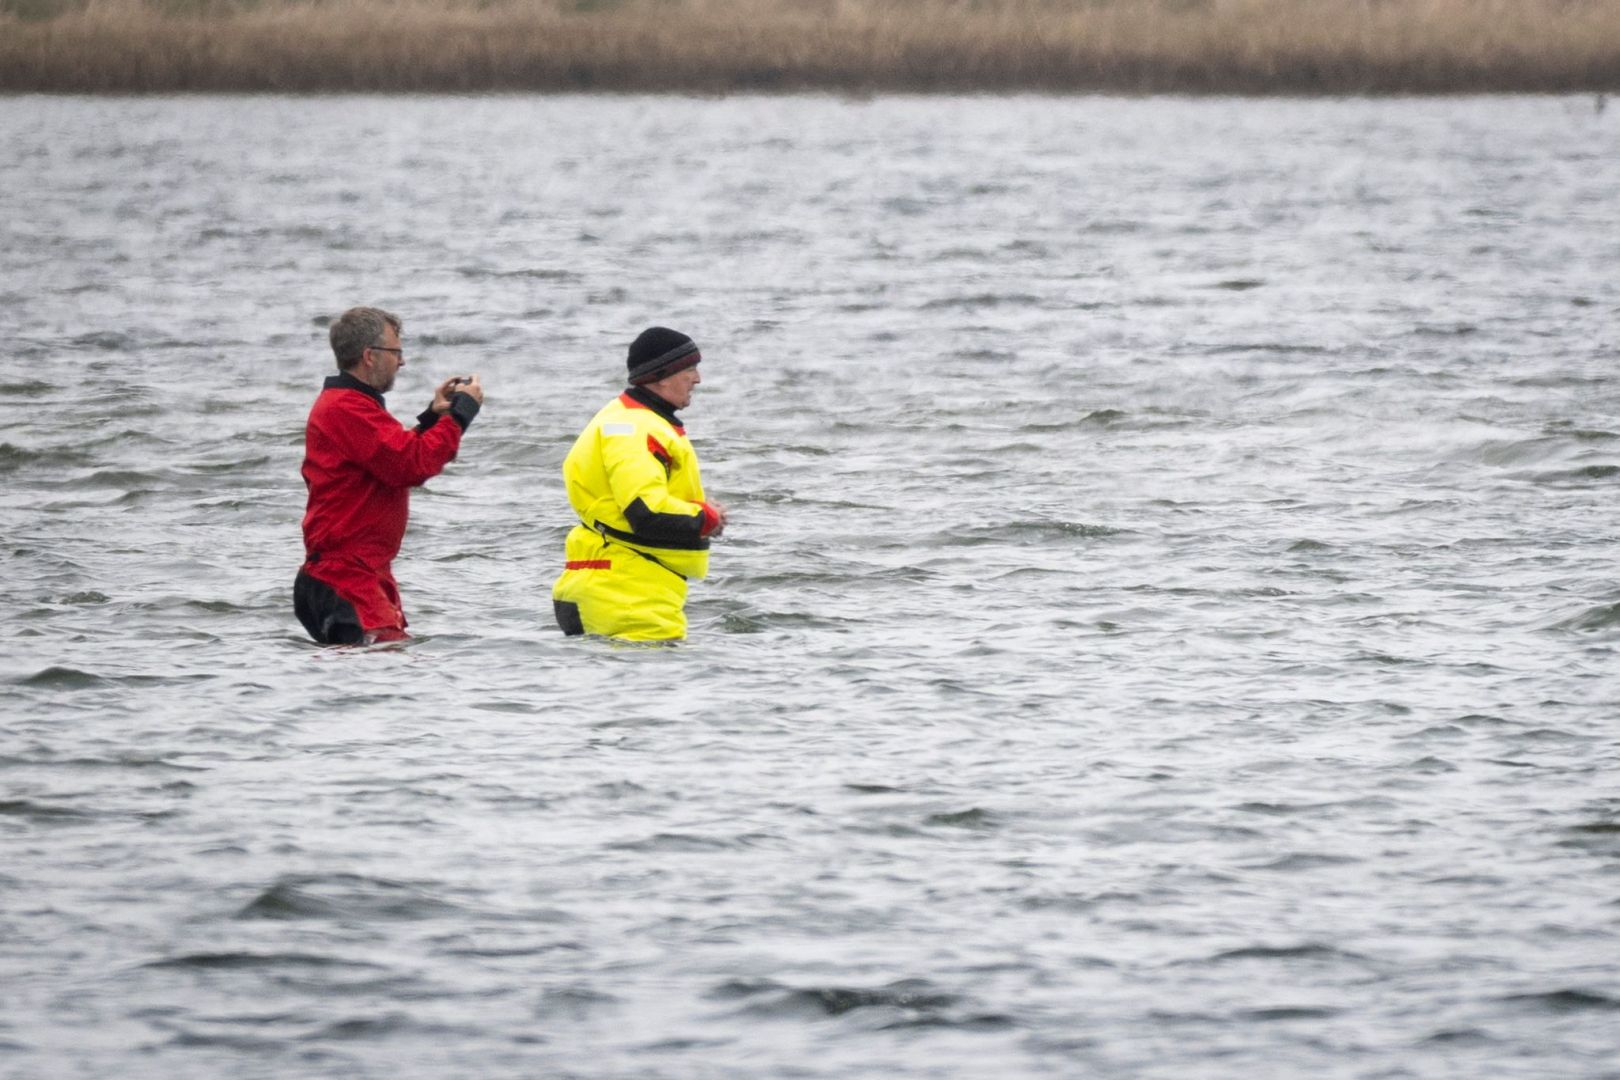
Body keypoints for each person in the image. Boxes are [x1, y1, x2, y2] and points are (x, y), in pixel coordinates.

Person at [294, 306, 484, 645]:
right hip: (345, 577)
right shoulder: (346, 407)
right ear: (370, 356)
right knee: (384, 666)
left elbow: (390, 456)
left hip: (359, 574)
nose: (402, 361)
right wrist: (460, 416)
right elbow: (411, 464)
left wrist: (432, 418)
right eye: (396, 351)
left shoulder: (354, 405)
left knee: (386, 671)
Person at [552, 326, 727, 642]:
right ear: (661, 377)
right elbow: (646, 512)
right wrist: (706, 517)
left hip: (618, 584)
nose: (698, 379)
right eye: (689, 369)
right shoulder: (635, 429)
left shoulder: (625, 416)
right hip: (627, 596)